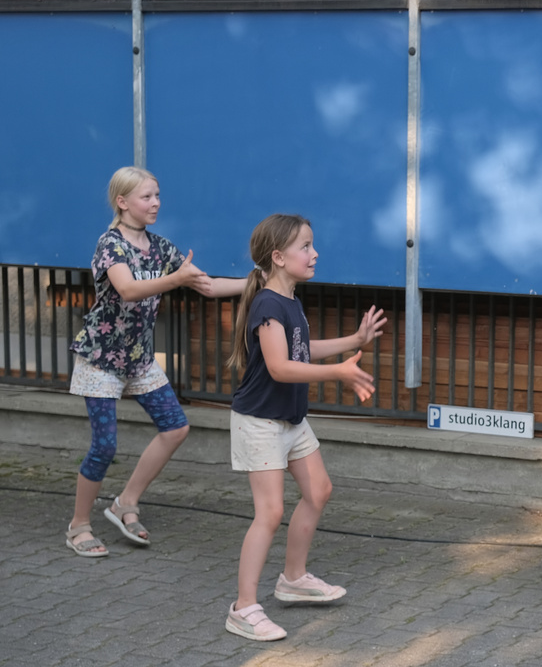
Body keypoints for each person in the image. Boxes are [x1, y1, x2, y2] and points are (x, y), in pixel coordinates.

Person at [66, 166, 245, 559]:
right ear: (123, 202)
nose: (156, 203)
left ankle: (124, 503)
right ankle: (79, 525)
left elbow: (207, 285)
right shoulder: (109, 244)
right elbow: (128, 290)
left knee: (176, 427)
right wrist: (175, 280)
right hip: (101, 357)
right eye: (147, 197)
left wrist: (260, 282)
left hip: (139, 359)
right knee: (104, 446)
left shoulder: (161, 247)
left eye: (158, 196)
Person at [223, 213, 386, 642]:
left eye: (312, 246)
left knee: (319, 491)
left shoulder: (288, 299)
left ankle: (292, 579)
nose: (315, 254)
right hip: (260, 421)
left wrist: (354, 341)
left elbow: (301, 348)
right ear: (278, 257)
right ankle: (243, 608)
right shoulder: (268, 304)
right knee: (270, 512)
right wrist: (338, 374)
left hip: (290, 419)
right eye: (306, 247)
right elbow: (279, 367)